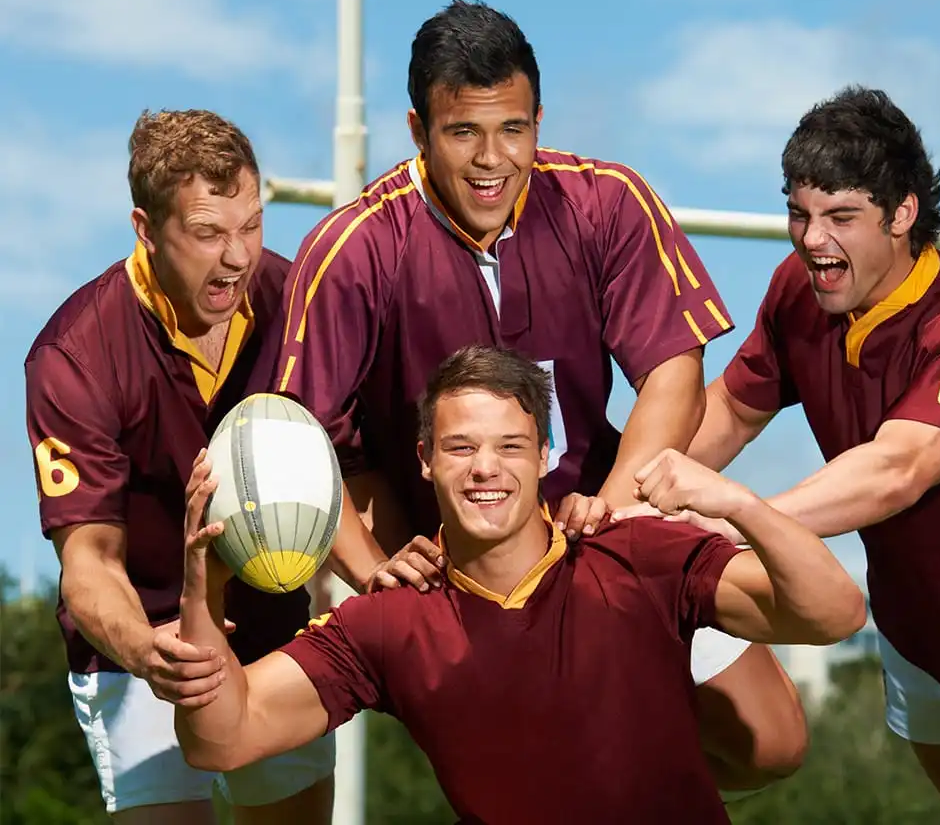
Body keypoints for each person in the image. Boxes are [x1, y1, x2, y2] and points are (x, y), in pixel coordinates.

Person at [267, 0, 808, 789]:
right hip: (453, 544)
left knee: (771, 745)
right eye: (463, 133)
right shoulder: (352, 250)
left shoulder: (606, 201)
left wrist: (616, 514)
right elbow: (301, 435)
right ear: (418, 131)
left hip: (593, 507)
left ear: (539, 119)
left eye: (513, 130)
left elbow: (672, 369)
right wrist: (369, 566)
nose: (493, 159)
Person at [626, 86, 940, 824]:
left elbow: (896, 469)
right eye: (799, 213)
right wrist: (621, 503)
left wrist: (741, 514)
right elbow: (727, 411)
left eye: (841, 217)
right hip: (912, 632)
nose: (813, 240)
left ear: (902, 213)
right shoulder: (798, 290)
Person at [175, 345, 866, 825]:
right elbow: (222, 740)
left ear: (543, 454)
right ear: (424, 460)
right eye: (460, 447)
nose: (485, 468)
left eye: (509, 446)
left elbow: (834, 612)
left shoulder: (632, 558)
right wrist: (203, 587)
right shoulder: (389, 620)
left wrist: (738, 504)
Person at [22, 109, 383, 824]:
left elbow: (336, 473)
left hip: (274, 632)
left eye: (251, 226)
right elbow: (89, 560)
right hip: (142, 643)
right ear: (145, 229)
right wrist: (146, 651)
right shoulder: (74, 355)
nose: (238, 256)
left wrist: (378, 578)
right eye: (208, 233)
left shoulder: (300, 304)